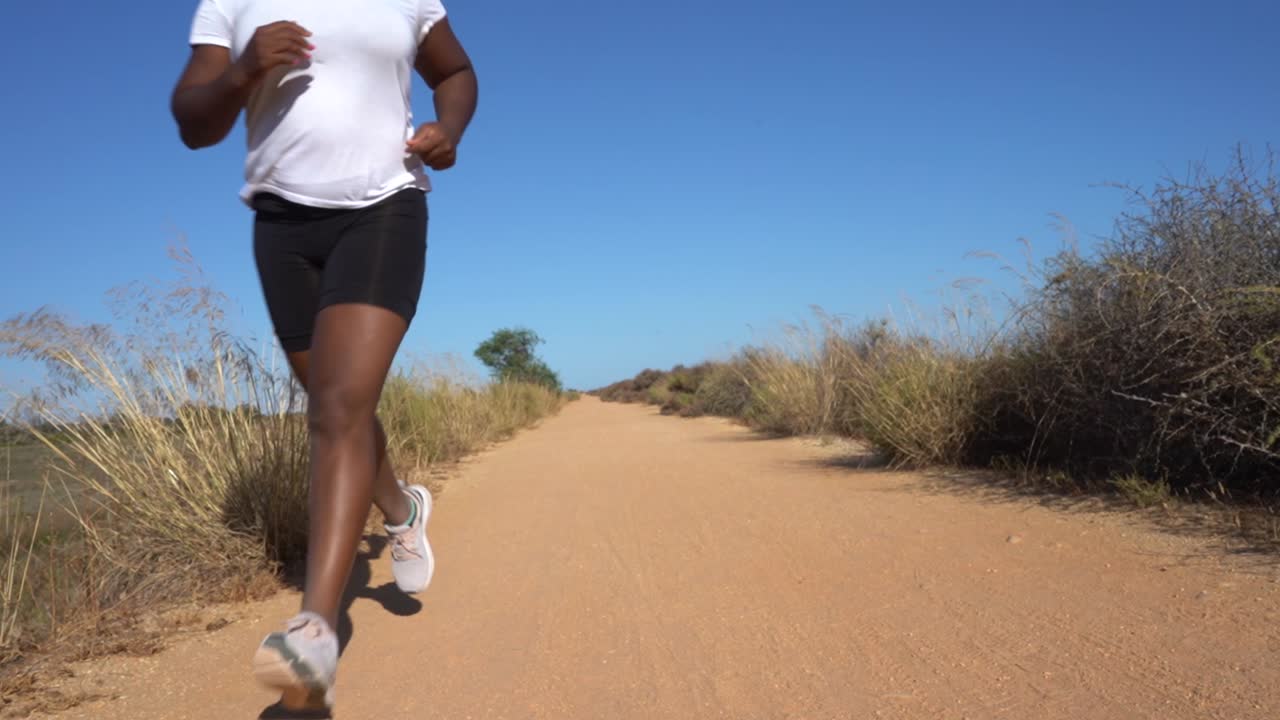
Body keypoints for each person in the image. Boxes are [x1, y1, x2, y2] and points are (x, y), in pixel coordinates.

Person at [170, 0, 477, 708]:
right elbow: (193, 124)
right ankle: (401, 508)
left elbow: (456, 71)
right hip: (282, 225)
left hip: (383, 207)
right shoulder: (230, 5)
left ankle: (314, 630)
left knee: (338, 409)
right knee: (340, 404)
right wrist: (243, 71)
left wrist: (449, 129)